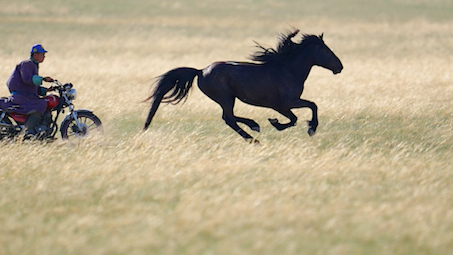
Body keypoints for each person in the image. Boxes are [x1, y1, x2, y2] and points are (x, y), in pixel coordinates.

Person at [6, 44, 54, 136]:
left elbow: (32, 86)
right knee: (42, 104)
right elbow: (27, 79)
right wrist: (43, 79)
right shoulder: (27, 63)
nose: (44, 56)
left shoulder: (34, 65)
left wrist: (47, 90)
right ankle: (29, 131)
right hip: (21, 96)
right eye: (42, 54)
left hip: (26, 95)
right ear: (35, 54)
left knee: (45, 103)